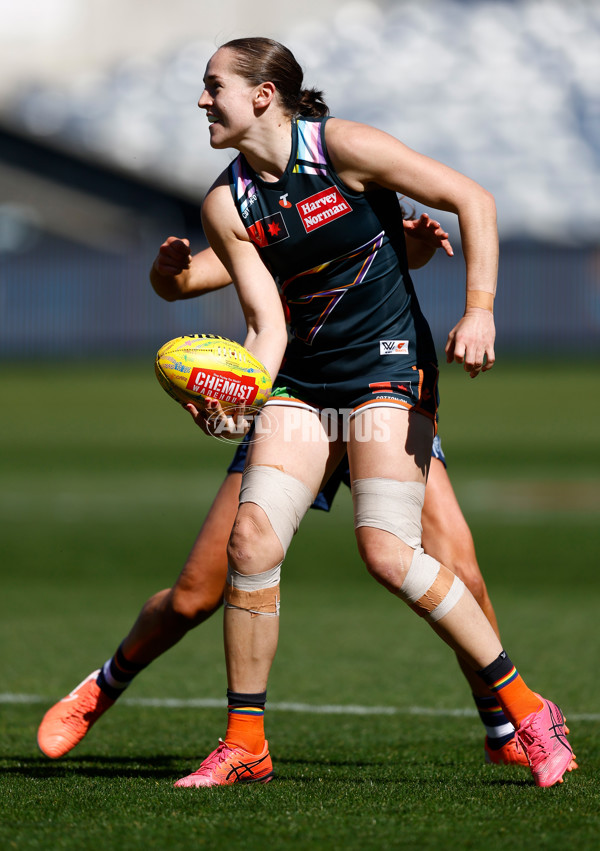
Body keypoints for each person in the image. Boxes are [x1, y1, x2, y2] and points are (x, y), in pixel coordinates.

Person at [38, 37, 575, 789]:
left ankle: (514, 718)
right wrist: (236, 393)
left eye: (212, 86)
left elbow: (471, 200)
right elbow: (266, 325)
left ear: (262, 95)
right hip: (302, 385)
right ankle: (174, 713)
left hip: (387, 372)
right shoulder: (229, 201)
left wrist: (479, 311)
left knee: (433, 560)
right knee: (220, 569)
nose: (199, 100)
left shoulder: (343, 148)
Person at [37, 216, 531, 769]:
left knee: (458, 572)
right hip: (294, 408)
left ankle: (503, 727)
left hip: (380, 396)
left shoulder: (348, 184)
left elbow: (402, 258)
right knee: (195, 595)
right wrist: (167, 272)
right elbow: (190, 279)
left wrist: (413, 238)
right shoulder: (258, 211)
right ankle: (104, 686)